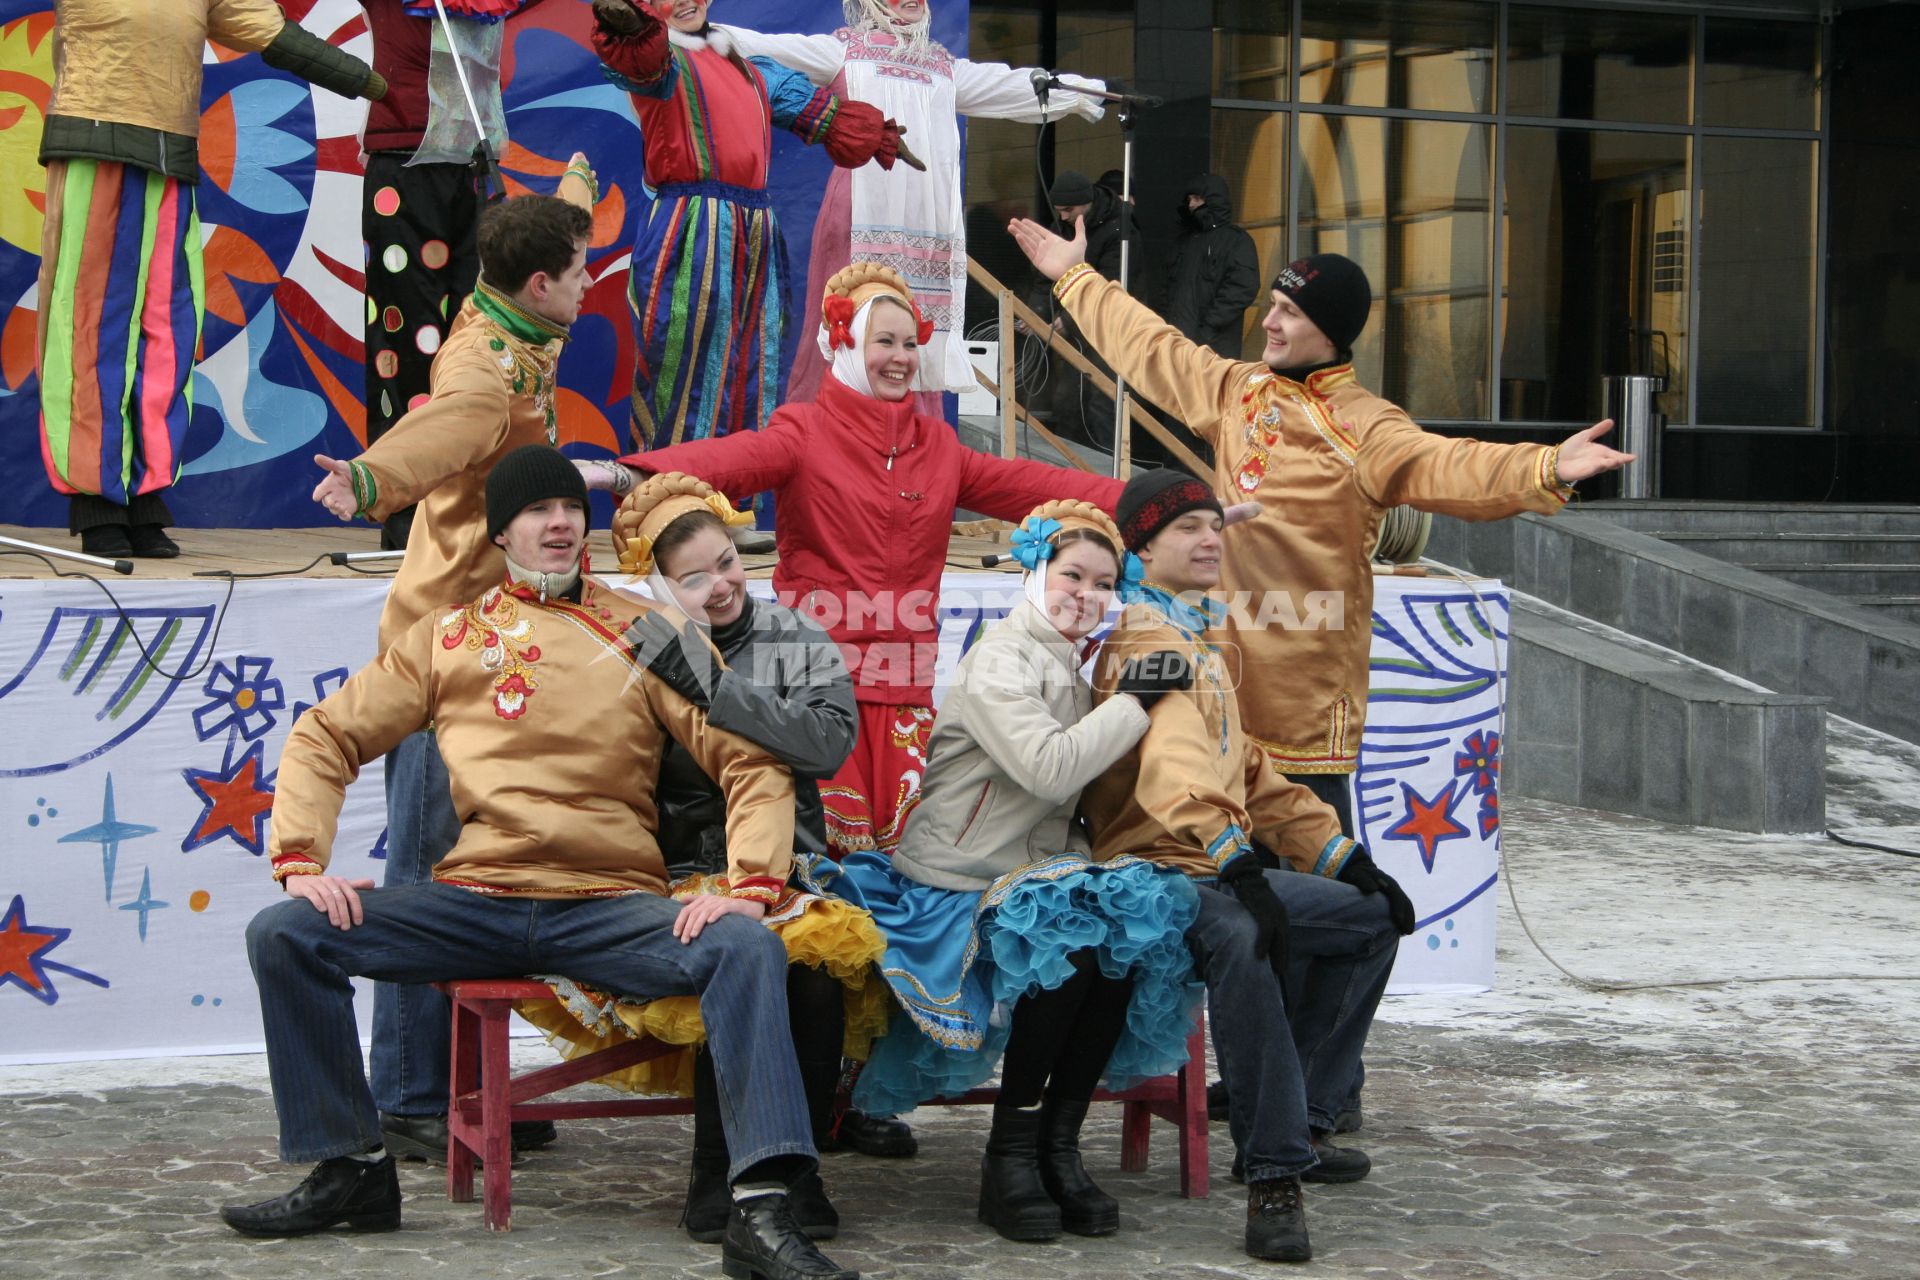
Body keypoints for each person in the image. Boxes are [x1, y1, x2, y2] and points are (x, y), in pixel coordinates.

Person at [222, 447, 861, 1280]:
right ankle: (352, 1170)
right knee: (285, 932)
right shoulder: (447, 638)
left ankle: (760, 1203)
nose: (559, 522)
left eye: (570, 508)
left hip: (607, 905)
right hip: (475, 901)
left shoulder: (647, 630)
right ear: (502, 532)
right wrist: (303, 861)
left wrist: (749, 888)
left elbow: (749, 762)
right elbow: (325, 734)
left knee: (748, 946)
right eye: (537, 510)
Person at [577, 263, 1125, 1157]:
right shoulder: (805, 431)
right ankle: (792, 1096)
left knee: (892, 914)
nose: (903, 357)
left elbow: (1028, 484)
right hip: (807, 690)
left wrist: (1155, 503)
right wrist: (619, 472)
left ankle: (860, 1092)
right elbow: (729, 459)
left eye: (912, 343)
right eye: (886, 341)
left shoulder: (942, 448)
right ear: (844, 344)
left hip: (905, 709)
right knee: (820, 902)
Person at [1008, 217, 1632, 830]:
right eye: (1272, 305)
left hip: (1303, 699)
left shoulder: (1364, 425)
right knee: (1233, 884)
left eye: (1289, 312)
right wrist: (1075, 278)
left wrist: (1546, 466)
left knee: (1323, 882)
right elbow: (1154, 350)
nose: (1270, 322)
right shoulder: (1240, 390)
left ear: (1329, 332)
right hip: (1222, 674)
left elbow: (1446, 463)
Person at [519, 471, 887, 1244]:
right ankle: (715, 1171)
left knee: (813, 982)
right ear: (657, 584)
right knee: (740, 964)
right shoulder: (628, 649)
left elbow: (826, 744)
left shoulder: (793, 638)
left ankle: (797, 1171)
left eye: (727, 562)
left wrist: (714, 687)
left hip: (787, 862)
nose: (721, 587)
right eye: (694, 578)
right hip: (675, 869)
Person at [308, 173, 596, 1161]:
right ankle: (413, 1092)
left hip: (500, 644)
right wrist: (366, 477)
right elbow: (442, 430)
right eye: (581, 269)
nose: (592, 284)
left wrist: (571, 192)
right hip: (447, 660)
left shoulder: (516, 322)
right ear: (539, 281)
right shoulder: (487, 370)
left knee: (488, 868)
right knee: (430, 870)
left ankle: (470, 1081)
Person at [833, 500, 1203, 1244]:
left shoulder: (1075, 660)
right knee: (1062, 951)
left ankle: (1055, 1150)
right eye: (1072, 575)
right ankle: (1008, 1160)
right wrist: (1135, 701)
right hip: (958, 876)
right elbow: (1048, 765)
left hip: (1033, 874)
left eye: (1104, 584)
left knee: (1119, 949)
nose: (1086, 595)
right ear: (1033, 573)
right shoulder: (1002, 657)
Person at [1080, 468, 1410, 1264]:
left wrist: (1343, 858)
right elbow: (1175, 763)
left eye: (1213, 525)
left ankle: (1302, 1115)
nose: (1208, 540)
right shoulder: (1144, 639)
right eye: (1186, 528)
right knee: (1241, 936)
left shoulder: (1196, 635)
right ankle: (1273, 1172)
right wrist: (1236, 862)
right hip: (1153, 867)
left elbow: (1249, 770)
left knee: (1369, 920)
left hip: (1208, 860)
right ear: (1144, 547)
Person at [36, 0, 384, 559]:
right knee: (90, 324)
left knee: (166, 330)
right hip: (90, 144)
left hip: (169, 157)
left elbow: (268, 30)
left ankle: (144, 494)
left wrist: (376, 85)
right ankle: (95, 500)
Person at [720, 0, 1108, 409]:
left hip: (926, 226)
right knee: (852, 328)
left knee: (912, 336)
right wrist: (689, 31)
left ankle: (911, 448)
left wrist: (1092, 91)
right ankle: (830, 443)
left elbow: (1008, 84)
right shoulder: (844, 51)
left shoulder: (942, 68)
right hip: (858, 218)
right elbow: (762, 46)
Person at [589, 0, 912, 452]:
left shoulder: (749, 68)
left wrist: (878, 134)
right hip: (693, 226)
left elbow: (821, 113)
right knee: (686, 367)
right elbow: (640, 61)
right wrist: (626, 25)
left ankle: (733, 498)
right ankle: (675, 494)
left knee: (751, 367)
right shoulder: (661, 61)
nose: (685, 1)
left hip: (755, 232)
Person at [357, 0, 551, 551]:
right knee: (404, 333)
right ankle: (402, 501)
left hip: (476, 168)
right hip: (403, 164)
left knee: (485, 335)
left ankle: (481, 499)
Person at [1165, 174, 1261, 357]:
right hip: (1178, 340)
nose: (1191, 204)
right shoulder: (1184, 241)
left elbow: (1243, 287)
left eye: (1197, 198)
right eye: (1189, 199)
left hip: (1216, 343)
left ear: (1213, 200)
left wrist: (1209, 327)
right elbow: (1167, 289)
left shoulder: (1236, 240)